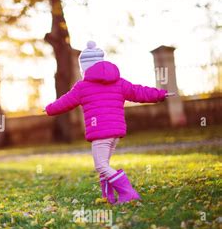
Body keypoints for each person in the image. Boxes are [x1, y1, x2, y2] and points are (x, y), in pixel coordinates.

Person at [44, 41, 174, 204]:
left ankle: (128, 193)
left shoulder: (82, 86)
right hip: (115, 133)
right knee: (104, 165)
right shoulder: (118, 82)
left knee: (101, 166)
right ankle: (108, 197)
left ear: (85, 67)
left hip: (100, 133)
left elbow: (65, 102)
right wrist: (160, 94)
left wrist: (49, 109)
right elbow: (138, 91)